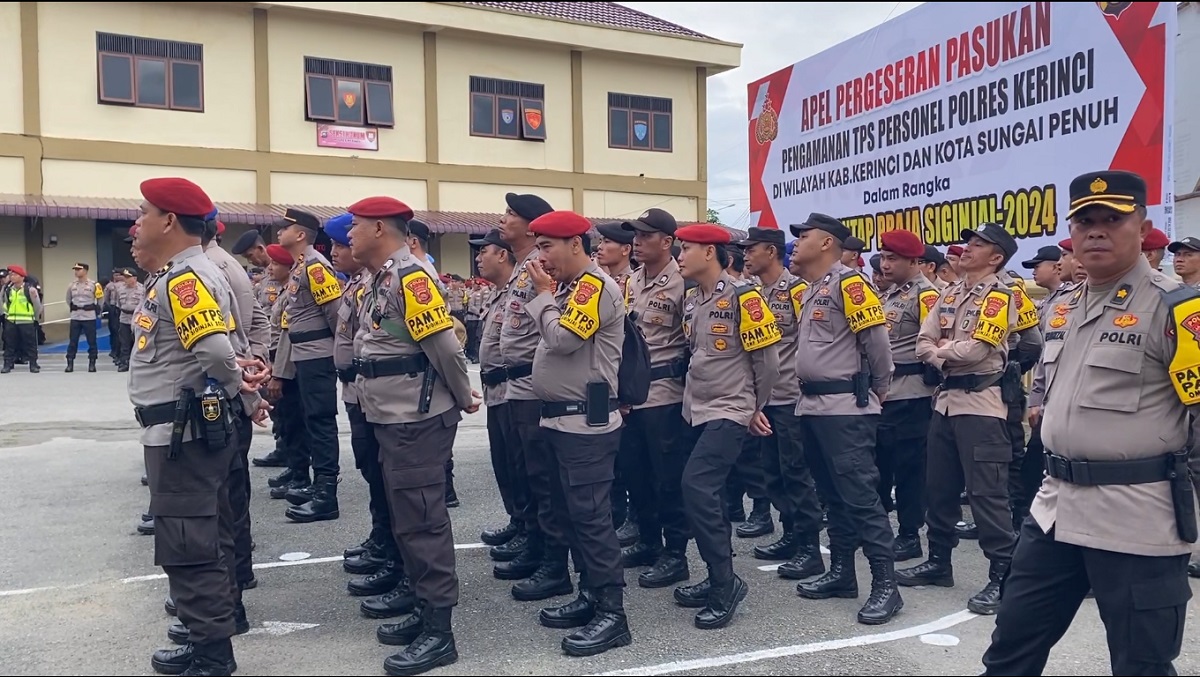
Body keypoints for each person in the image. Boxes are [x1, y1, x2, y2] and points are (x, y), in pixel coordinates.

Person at [983, 170, 1200, 675]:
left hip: (1137, 516)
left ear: (1143, 227)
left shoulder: (1178, 308)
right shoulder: (1062, 307)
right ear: (1073, 233)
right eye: (1086, 222)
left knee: (1140, 664)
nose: (1097, 231)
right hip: (1056, 508)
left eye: (1113, 219)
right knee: (1010, 648)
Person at [130, 177, 268, 676]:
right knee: (206, 537)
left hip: (182, 437)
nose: (136, 223)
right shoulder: (183, 274)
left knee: (190, 546)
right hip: (186, 431)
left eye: (143, 213)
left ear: (169, 220)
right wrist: (246, 393)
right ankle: (206, 636)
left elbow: (213, 350)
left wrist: (242, 391)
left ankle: (212, 656)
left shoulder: (185, 279)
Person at [346, 196, 478, 676]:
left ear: (380, 228)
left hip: (416, 419)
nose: (349, 235)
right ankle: (424, 611)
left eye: (356, 226)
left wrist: (464, 395)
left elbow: (444, 346)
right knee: (407, 519)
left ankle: (440, 634)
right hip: (392, 416)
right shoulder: (381, 279)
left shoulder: (412, 278)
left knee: (422, 522)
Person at [523, 210, 631, 656]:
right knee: (570, 516)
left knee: (591, 518)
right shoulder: (568, 288)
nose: (541, 256)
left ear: (574, 244)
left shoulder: (594, 286)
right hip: (559, 418)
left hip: (586, 422)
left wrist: (544, 296)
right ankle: (589, 594)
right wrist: (550, 295)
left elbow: (564, 340)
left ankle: (612, 613)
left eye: (547, 246)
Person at [901, 221, 1019, 616]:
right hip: (945, 402)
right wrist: (942, 349)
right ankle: (939, 562)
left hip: (981, 406)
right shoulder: (950, 292)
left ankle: (1002, 575)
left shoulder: (1000, 297)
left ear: (997, 256)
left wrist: (941, 350)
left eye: (978, 243)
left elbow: (976, 352)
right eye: (969, 241)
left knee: (987, 495)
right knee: (940, 488)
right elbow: (922, 340)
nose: (967, 248)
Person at [788, 213, 900, 626]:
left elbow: (877, 342)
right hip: (813, 407)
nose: (797, 241)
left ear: (827, 243)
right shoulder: (813, 288)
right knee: (831, 496)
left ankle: (886, 586)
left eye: (805, 235)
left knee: (860, 498)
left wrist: (881, 386)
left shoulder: (850, 283)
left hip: (845, 409)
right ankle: (841, 573)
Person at [671, 224, 781, 629]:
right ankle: (717, 575)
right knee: (706, 496)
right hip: (696, 410)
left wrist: (755, 406)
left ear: (711, 253)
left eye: (688, 248)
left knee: (696, 487)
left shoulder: (744, 296)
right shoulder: (692, 298)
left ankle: (726, 584)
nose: (681, 256)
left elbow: (767, 361)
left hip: (731, 409)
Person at [493, 193, 573, 601]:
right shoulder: (522, 270)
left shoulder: (541, 270)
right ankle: (536, 546)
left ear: (531, 225)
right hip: (515, 386)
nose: (503, 219)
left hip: (532, 385)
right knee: (526, 473)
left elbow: (552, 329)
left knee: (543, 479)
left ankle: (553, 563)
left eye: (511, 214)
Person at [737, 227, 824, 576]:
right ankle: (789, 534)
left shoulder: (798, 291)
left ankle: (809, 546)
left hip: (791, 395)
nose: (745, 255)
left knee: (796, 474)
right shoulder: (757, 293)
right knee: (772, 475)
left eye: (751, 249)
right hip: (766, 399)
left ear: (771, 252)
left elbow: (811, 342)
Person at [617, 208, 690, 586]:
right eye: (636, 236)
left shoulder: (684, 282)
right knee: (636, 475)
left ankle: (675, 553)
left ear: (667, 241)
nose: (637, 242)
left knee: (667, 478)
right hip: (634, 395)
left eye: (646, 236)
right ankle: (648, 541)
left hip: (666, 394)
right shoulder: (631, 281)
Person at [875, 230, 940, 563]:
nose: (885, 265)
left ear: (914, 262)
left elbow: (934, 343)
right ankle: (879, 527)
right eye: (883, 258)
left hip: (912, 393)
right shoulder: (888, 295)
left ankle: (909, 534)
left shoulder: (926, 295)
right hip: (885, 393)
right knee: (880, 464)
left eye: (893, 259)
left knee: (909, 468)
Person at [278, 209, 343, 523]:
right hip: (303, 354)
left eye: (286, 228)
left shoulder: (316, 266)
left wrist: (337, 352)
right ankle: (317, 485)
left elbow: (334, 313)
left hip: (318, 354)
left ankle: (326, 493)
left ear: (301, 234)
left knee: (320, 422)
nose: (279, 232)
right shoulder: (300, 266)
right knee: (308, 419)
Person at [471, 229, 526, 550]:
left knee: (520, 466)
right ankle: (517, 520)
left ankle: (527, 528)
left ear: (502, 255)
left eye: (484, 252)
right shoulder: (499, 293)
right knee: (504, 463)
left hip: (513, 390)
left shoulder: (520, 291)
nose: (478, 258)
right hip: (495, 392)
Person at [2, 265, 42, 373]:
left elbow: (37, 306)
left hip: (26, 321)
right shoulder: (8, 289)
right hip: (11, 321)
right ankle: (7, 364)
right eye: (11, 275)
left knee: (30, 344)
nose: (12, 277)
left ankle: (33, 364)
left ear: (22, 277)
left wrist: (35, 318)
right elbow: (5, 302)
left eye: (14, 275)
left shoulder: (30, 290)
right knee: (9, 344)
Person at [64, 262, 104, 373]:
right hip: (76, 316)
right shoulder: (71, 285)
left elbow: (100, 300)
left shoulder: (95, 285)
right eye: (75, 269)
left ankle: (92, 363)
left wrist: (97, 311)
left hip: (89, 316)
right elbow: (68, 299)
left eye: (79, 269)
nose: (76, 271)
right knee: (73, 341)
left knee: (92, 341)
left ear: (85, 271)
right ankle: (70, 363)